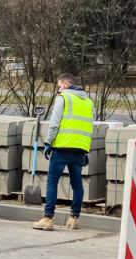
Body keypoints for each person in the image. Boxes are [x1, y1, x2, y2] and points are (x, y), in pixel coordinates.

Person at [33, 73, 95, 231]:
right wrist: (86, 150)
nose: (58, 89)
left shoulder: (64, 98)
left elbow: (54, 123)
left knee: (52, 181)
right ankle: (74, 219)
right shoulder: (89, 103)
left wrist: (48, 142)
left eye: (59, 86)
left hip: (61, 147)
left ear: (66, 84)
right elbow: (89, 128)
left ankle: (48, 219)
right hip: (80, 150)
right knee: (77, 184)